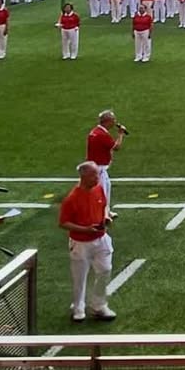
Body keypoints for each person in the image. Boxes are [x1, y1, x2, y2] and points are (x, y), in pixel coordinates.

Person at [58, 161, 115, 322]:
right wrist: (85, 230)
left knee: (105, 269)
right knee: (79, 277)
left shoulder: (98, 189)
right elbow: (63, 223)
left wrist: (106, 217)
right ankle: (78, 307)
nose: (97, 177)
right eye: (94, 174)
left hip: (101, 238)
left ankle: (99, 304)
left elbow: (104, 206)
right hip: (80, 243)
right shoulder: (72, 198)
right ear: (84, 176)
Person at [86, 110, 126, 218]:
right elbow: (116, 147)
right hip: (99, 169)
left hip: (97, 167)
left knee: (107, 188)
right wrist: (121, 134)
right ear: (107, 121)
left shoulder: (95, 131)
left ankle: (106, 212)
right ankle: (101, 215)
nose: (115, 122)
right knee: (102, 193)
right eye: (113, 120)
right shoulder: (101, 134)